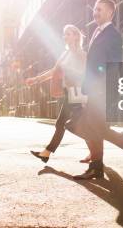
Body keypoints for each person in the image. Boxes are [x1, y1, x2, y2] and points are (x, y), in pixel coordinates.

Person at [66, 0, 123, 180]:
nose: (95, 12)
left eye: (99, 9)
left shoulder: (113, 35)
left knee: (92, 126)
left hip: (102, 88)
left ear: (110, 12)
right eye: (94, 9)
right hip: (93, 87)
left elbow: (115, 64)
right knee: (93, 127)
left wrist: (106, 89)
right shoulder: (96, 32)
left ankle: (99, 165)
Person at [29, 24, 90, 163]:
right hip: (68, 93)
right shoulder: (65, 53)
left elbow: (85, 74)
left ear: (76, 36)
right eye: (64, 34)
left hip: (77, 93)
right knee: (71, 124)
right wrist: (36, 79)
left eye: (68, 34)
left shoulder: (81, 54)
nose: (65, 36)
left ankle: (47, 152)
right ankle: (47, 153)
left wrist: (68, 71)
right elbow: (54, 71)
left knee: (67, 124)